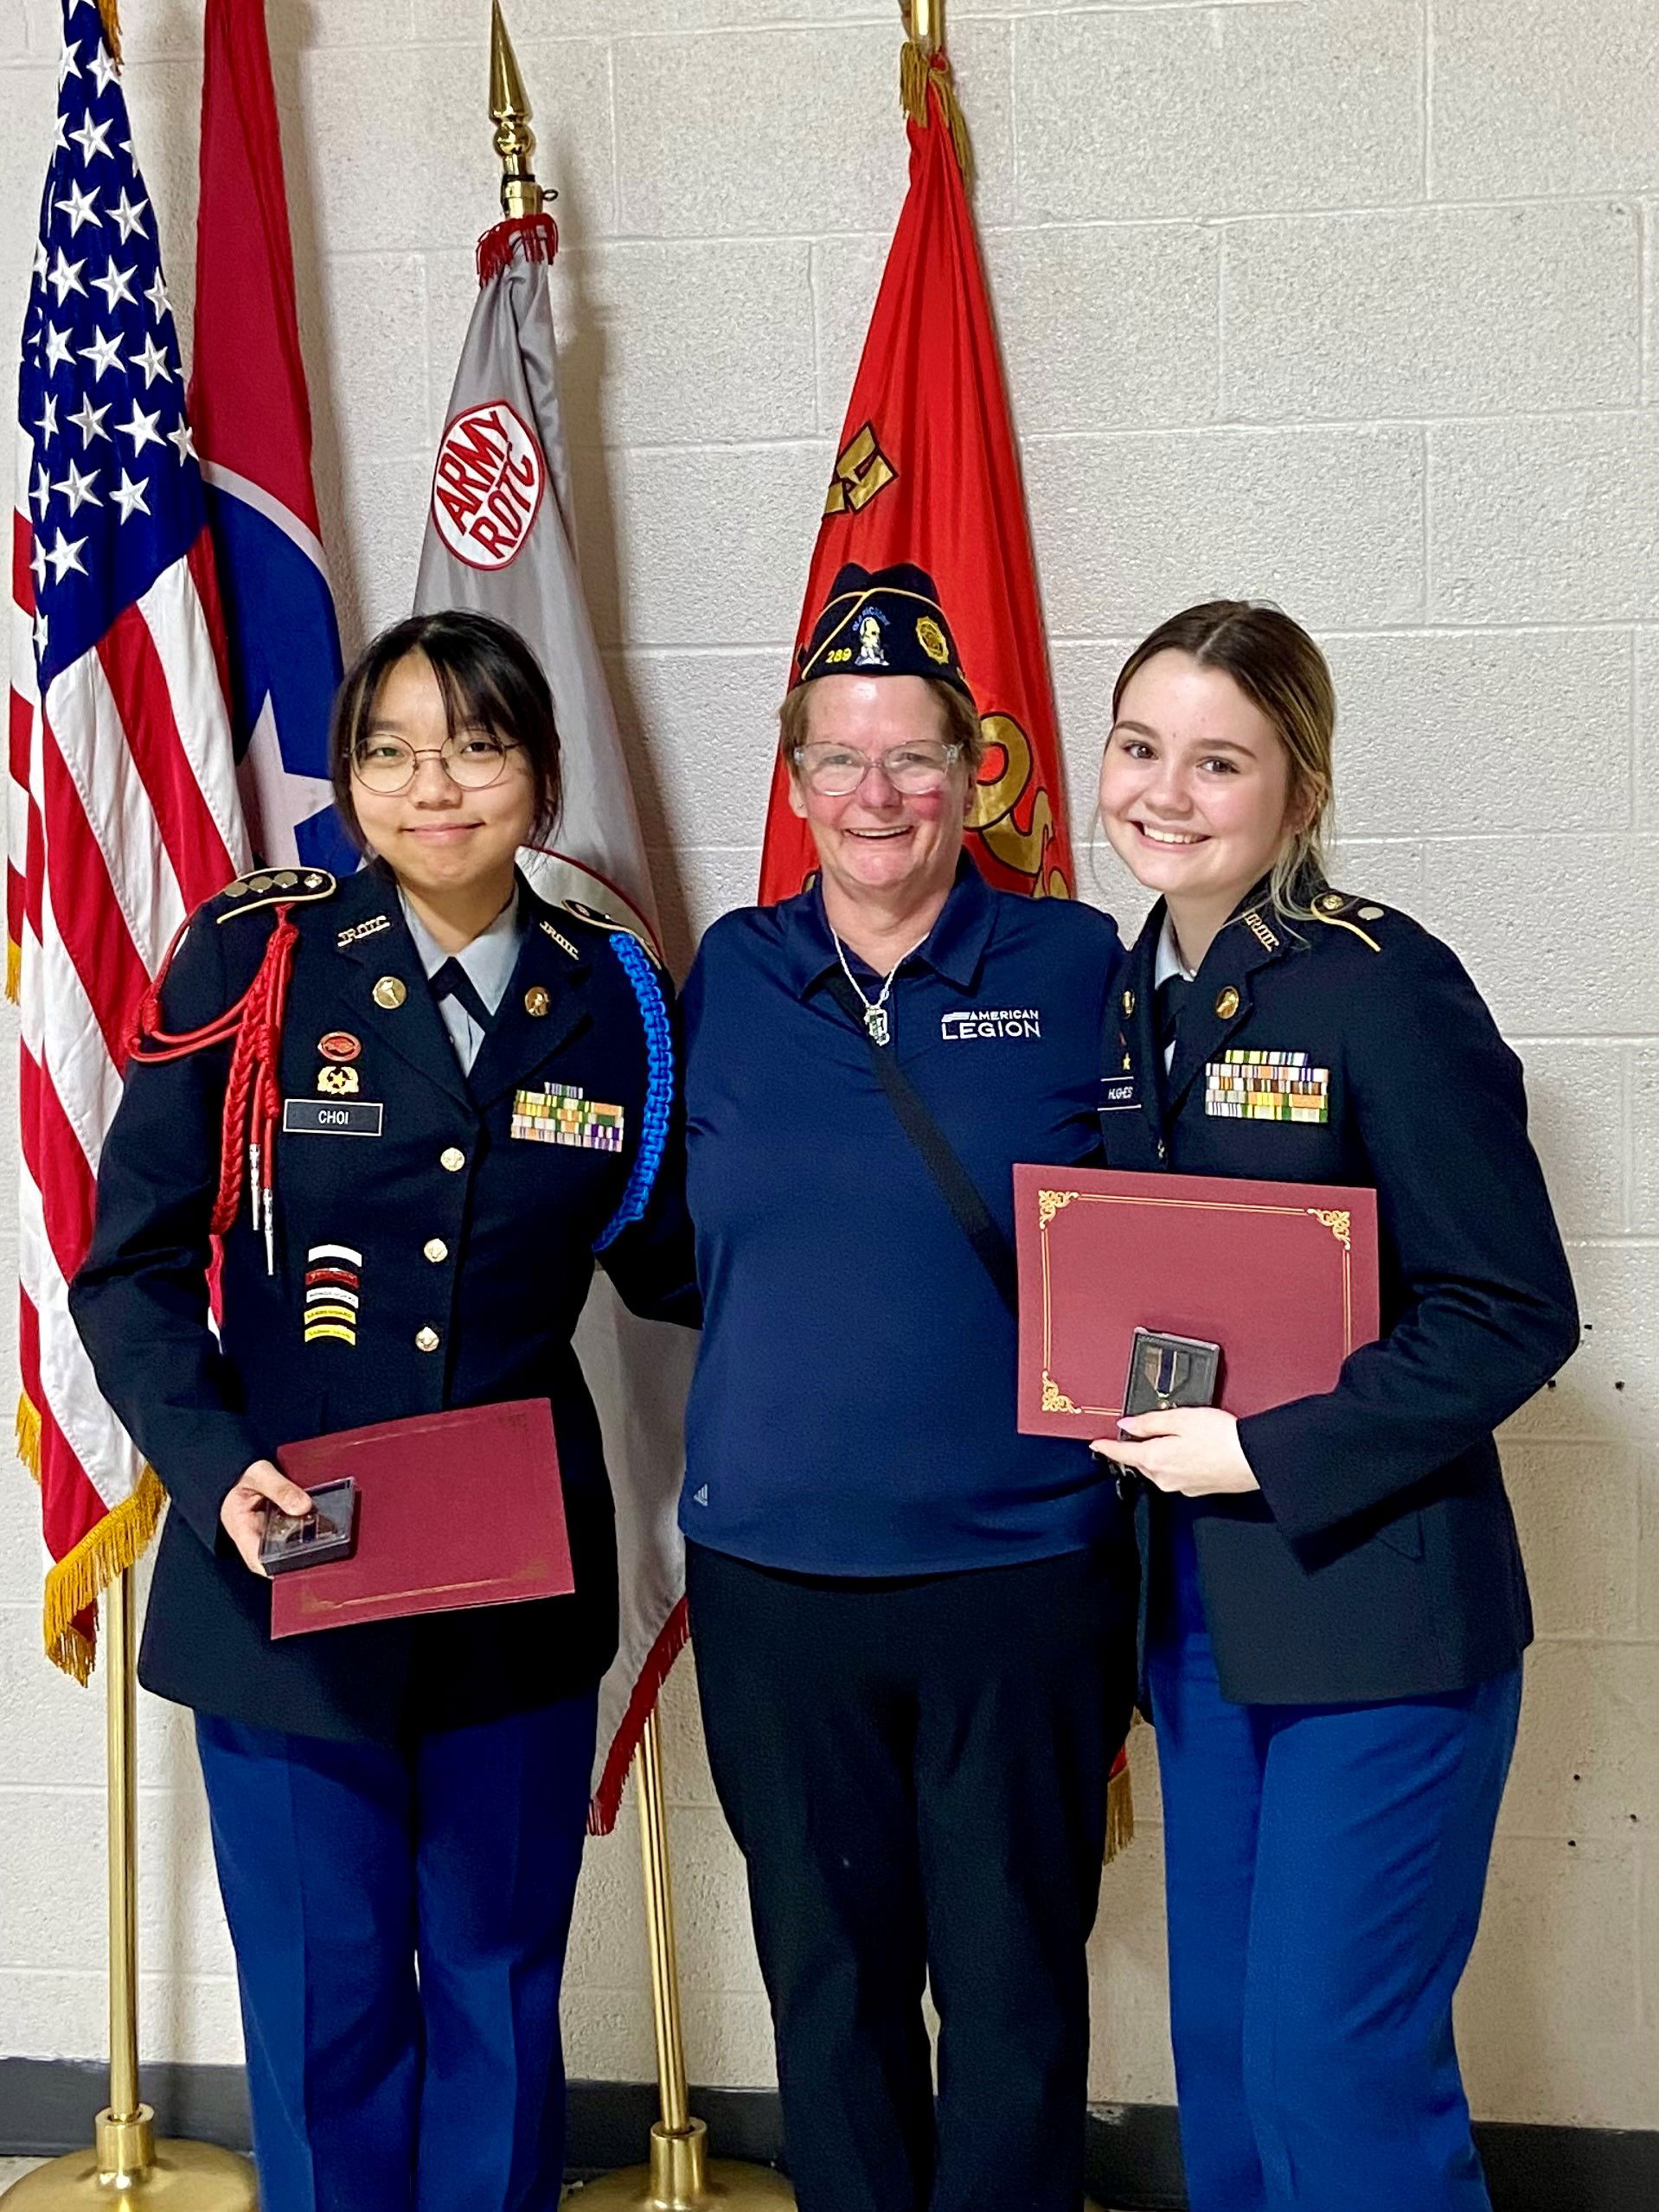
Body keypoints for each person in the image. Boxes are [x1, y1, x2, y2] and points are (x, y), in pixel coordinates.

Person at [70, 611, 697, 2212]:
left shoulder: (611, 992)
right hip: (283, 1576)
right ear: (347, 774)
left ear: (537, 775)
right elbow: (128, 1269)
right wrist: (216, 1477)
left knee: (497, 1985)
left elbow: (683, 1263)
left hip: (509, 1587)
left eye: (476, 747)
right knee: (324, 2005)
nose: (434, 786)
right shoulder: (260, 958)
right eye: (392, 749)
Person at [1092, 600, 1579, 2212]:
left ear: (1298, 792)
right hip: (1204, 1620)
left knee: (1335, 2069)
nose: (1166, 790)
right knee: (1228, 2066)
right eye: (1140, 746)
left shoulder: (1380, 983)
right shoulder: (1123, 994)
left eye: (1218, 761)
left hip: (1374, 1613)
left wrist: (1260, 1447)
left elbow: (1512, 1309)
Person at [680, 561, 1138, 2212]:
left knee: (1013, 1981)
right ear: (795, 783)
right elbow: (666, 1246)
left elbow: (1167, 1245)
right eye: (840, 760)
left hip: (1015, 1573)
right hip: (773, 1581)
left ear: (975, 771)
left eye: (915, 756)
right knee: (828, 1976)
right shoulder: (725, 974)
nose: (878, 795)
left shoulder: (1082, 965)